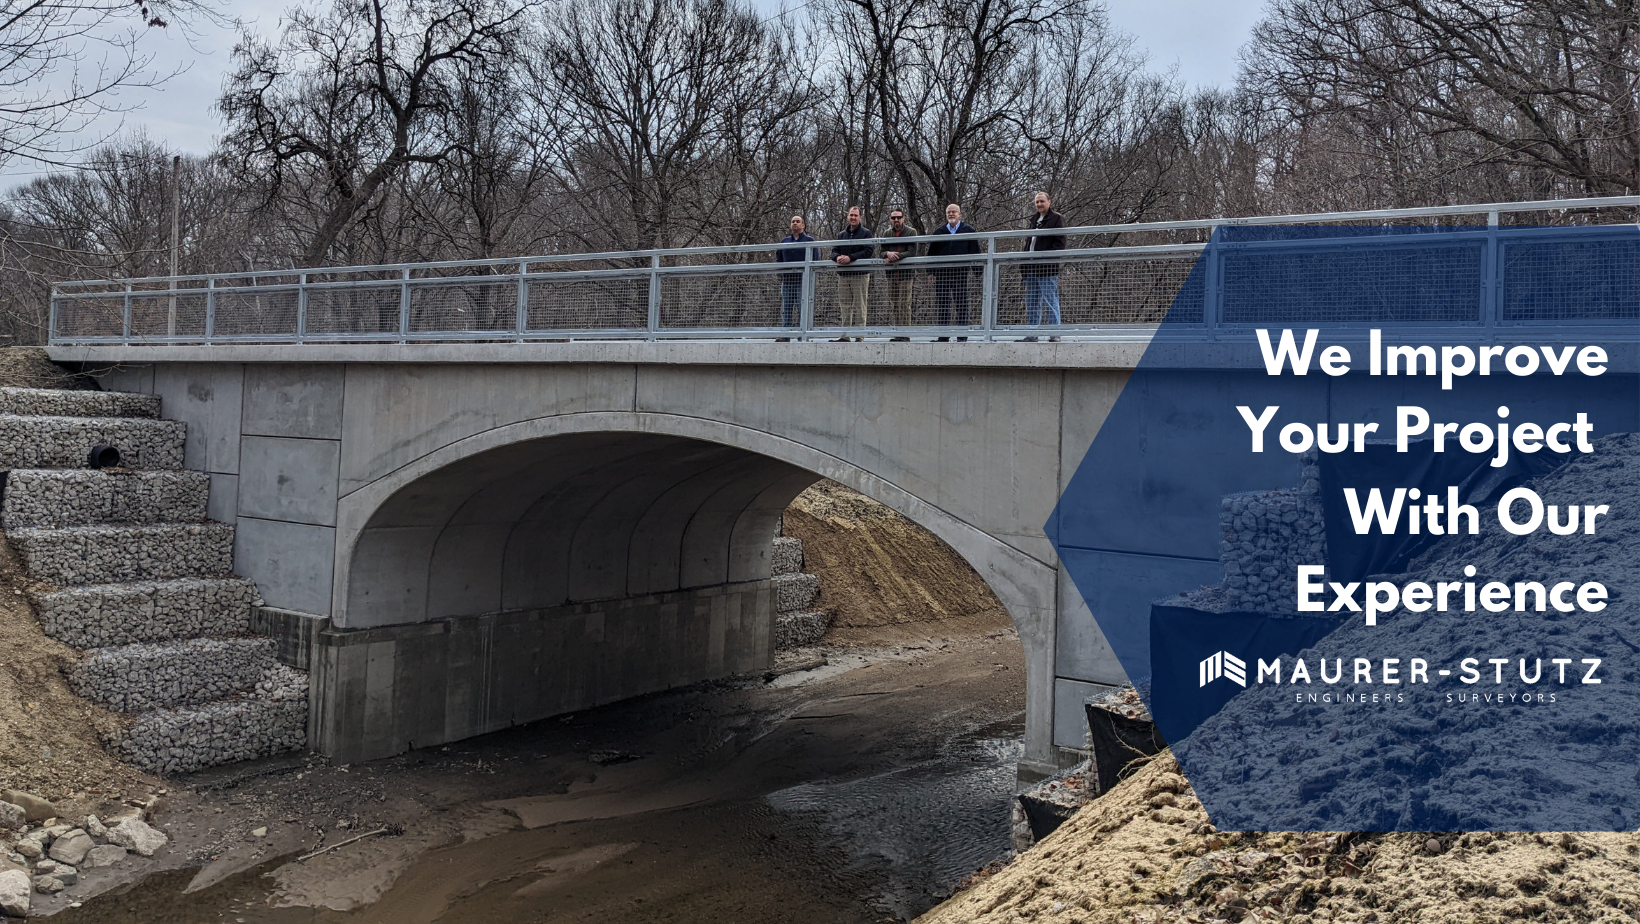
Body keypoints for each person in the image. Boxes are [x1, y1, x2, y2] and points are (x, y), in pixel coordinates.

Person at [925, 203, 981, 341]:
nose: (951, 214)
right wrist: (930, 272)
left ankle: (962, 336)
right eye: (949, 212)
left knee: (961, 304)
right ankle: (943, 337)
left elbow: (975, 251)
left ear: (960, 214)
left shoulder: (968, 230)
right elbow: (932, 253)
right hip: (942, 275)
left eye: (954, 212)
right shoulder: (939, 231)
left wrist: (977, 270)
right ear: (946, 214)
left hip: (960, 274)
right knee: (943, 304)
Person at [1021, 191, 1066, 341]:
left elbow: (1060, 243)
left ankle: (1054, 334)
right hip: (1030, 266)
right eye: (1037, 202)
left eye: (1042, 201)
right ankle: (1032, 334)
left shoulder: (1057, 219)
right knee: (1032, 302)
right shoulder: (1034, 219)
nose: (1039, 204)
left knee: (1050, 300)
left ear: (1049, 202)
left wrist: (1046, 257)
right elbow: (1029, 242)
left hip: (1046, 267)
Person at [832, 206, 873, 341]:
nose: (853, 218)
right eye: (851, 215)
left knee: (860, 304)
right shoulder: (841, 235)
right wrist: (837, 257)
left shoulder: (866, 233)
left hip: (860, 274)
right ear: (847, 216)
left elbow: (868, 251)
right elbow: (834, 250)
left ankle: (859, 335)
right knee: (844, 305)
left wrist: (851, 257)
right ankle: (845, 335)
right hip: (844, 274)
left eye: (856, 215)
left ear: (860, 217)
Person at [774, 215, 817, 340]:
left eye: (798, 221)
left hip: (803, 281)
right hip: (787, 280)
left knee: (803, 308)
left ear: (803, 225)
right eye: (793, 221)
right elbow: (779, 259)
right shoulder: (785, 241)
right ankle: (786, 335)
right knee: (786, 309)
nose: (795, 223)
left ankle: (803, 336)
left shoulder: (810, 241)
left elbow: (815, 260)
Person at [880, 207, 918, 340]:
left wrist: (897, 256)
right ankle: (897, 333)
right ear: (890, 219)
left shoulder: (911, 232)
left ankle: (905, 334)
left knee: (904, 304)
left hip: (906, 275)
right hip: (891, 274)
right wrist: (887, 254)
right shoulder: (886, 233)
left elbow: (912, 251)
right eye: (893, 218)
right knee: (895, 303)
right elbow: (881, 251)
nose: (896, 220)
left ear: (903, 218)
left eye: (899, 217)